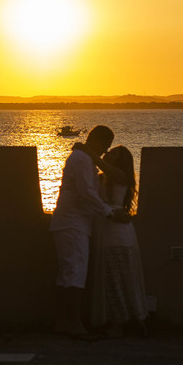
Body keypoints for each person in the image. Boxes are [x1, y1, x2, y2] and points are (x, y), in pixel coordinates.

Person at [49, 125, 130, 339]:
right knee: (75, 274)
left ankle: (63, 322)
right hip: (73, 224)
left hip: (71, 223)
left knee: (67, 274)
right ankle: (74, 324)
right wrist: (109, 213)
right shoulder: (83, 160)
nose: (105, 151)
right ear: (98, 141)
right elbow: (86, 193)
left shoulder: (84, 158)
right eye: (106, 146)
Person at [88, 145, 148, 337]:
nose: (108, 154)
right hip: (106, 228)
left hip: (118, 231)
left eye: (113, 153)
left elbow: (103, 166)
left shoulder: (121, 175)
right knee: (112, 277)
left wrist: (88, 152)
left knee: (119, 276)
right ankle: (127, 320)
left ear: (120, 161)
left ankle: (121, 322)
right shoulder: (103, 177)